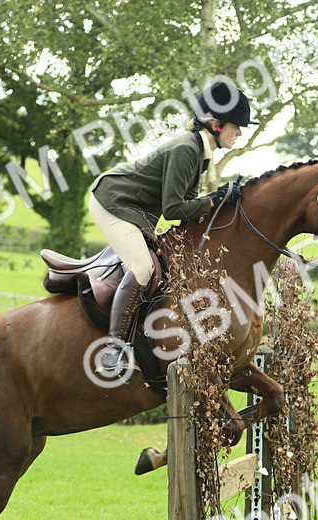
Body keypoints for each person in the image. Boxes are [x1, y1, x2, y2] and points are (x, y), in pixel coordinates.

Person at [90, 80, 256, 374]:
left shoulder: (199, 151)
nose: (240, 132)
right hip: (114, 202)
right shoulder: (186, 150)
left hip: (134, 209)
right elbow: (173, 209)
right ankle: (113, 349)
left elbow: (186, 207)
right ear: (217, 125)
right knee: (143, 268)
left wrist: (220, 203)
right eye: (237, 126)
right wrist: (215, 201)